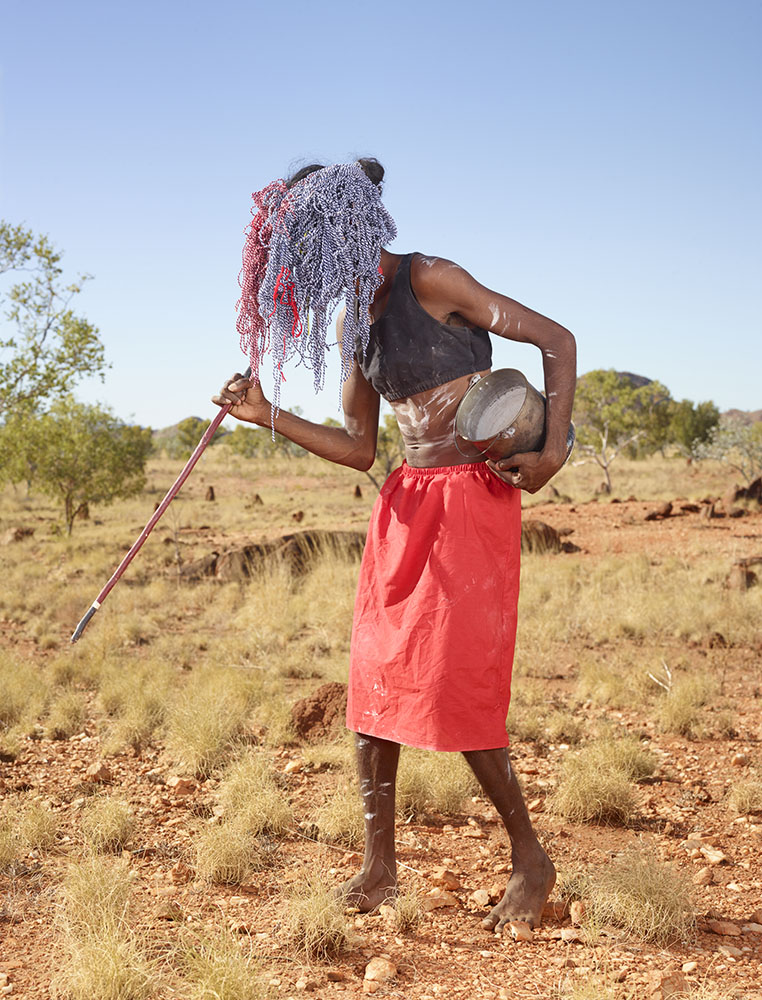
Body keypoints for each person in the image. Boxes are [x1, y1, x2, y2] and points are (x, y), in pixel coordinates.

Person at [213, 158, 576, 933]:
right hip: (405, 506)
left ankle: (531, 859)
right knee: (374, 687)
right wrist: (266, 413)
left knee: (455, 684)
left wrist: (550, 454)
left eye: (304, 249)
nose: (297, 271)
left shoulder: (432, 279)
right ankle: (379, 869)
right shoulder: (355, 326)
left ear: (342, 231)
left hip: (470, 501)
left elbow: (556, 338)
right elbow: (357, 448)